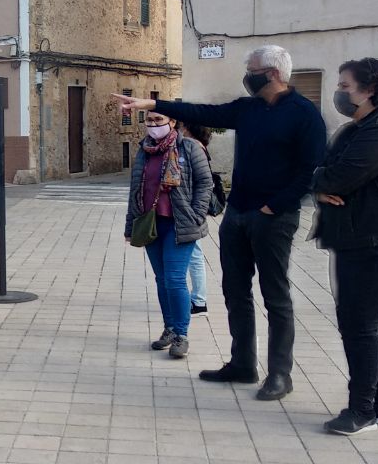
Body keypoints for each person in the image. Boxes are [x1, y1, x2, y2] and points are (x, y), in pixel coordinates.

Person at [113, 46, 326, 401]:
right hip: (238, 214)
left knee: (275, 296)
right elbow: (203, 111)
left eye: (252, 68)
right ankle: (243, 363)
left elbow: (311, 170)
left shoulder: (304, 115)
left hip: (274, 218)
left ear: (272, 73)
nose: (247, 73)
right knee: (235, 291)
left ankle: (280, 374)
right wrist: (154, 105)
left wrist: (275, 207)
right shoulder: (249, 109)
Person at [312, 58, 378, 435]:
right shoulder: (354, 130)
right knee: (372, 321)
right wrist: (320, 186)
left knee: (359, 324)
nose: (338, 92)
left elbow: (340, 176)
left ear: (370, 89)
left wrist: (323, 183)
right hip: (358, 238)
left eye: (344, 86)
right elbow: (323, 169)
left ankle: (363, 410)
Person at [124, 110, 213, 359]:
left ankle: (181, 335)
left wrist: (197, 214)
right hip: (151, 224)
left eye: (158, 120)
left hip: (180, 224)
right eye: (149, 120)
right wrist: (130, 227)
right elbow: (135, 190)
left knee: (174, 279)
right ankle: (169, 328)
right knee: (161, 280)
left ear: (172, 122)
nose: (153, 125)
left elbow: (205, 183)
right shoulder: (144, 150)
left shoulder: (189, 149)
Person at [180, 122, 215, 315]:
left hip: (191, 210)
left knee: (194, 256)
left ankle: (199, 301)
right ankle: (197, 299)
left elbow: (202, 182)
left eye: (183, 127)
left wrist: (196, 212)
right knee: (194, 255)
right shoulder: (197, 146)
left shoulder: (194, 147)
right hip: (191, 209)